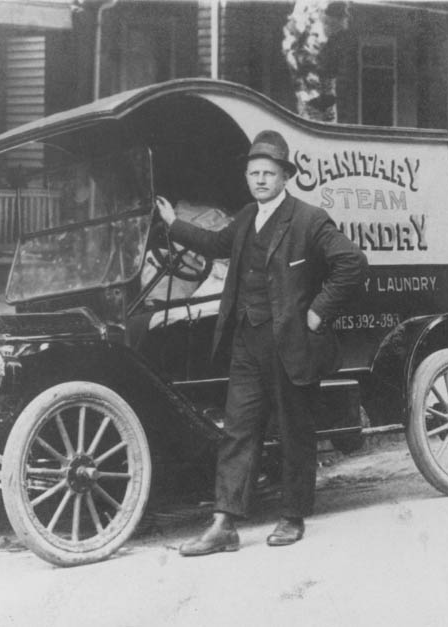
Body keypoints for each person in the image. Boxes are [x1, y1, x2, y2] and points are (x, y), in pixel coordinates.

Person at [155, 130, 367, 556]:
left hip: (291, 344)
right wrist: (173, 224)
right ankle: (224, 524)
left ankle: (293, 516)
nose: (261, 180)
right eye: (254, 173)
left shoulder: (308, 219)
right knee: (238, 430)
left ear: (285, 176)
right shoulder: (246, 217)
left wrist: (319, 311)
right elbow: (215, 244)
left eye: (269, 173)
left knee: (293, 430)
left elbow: (352, 262)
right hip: (247, 342)